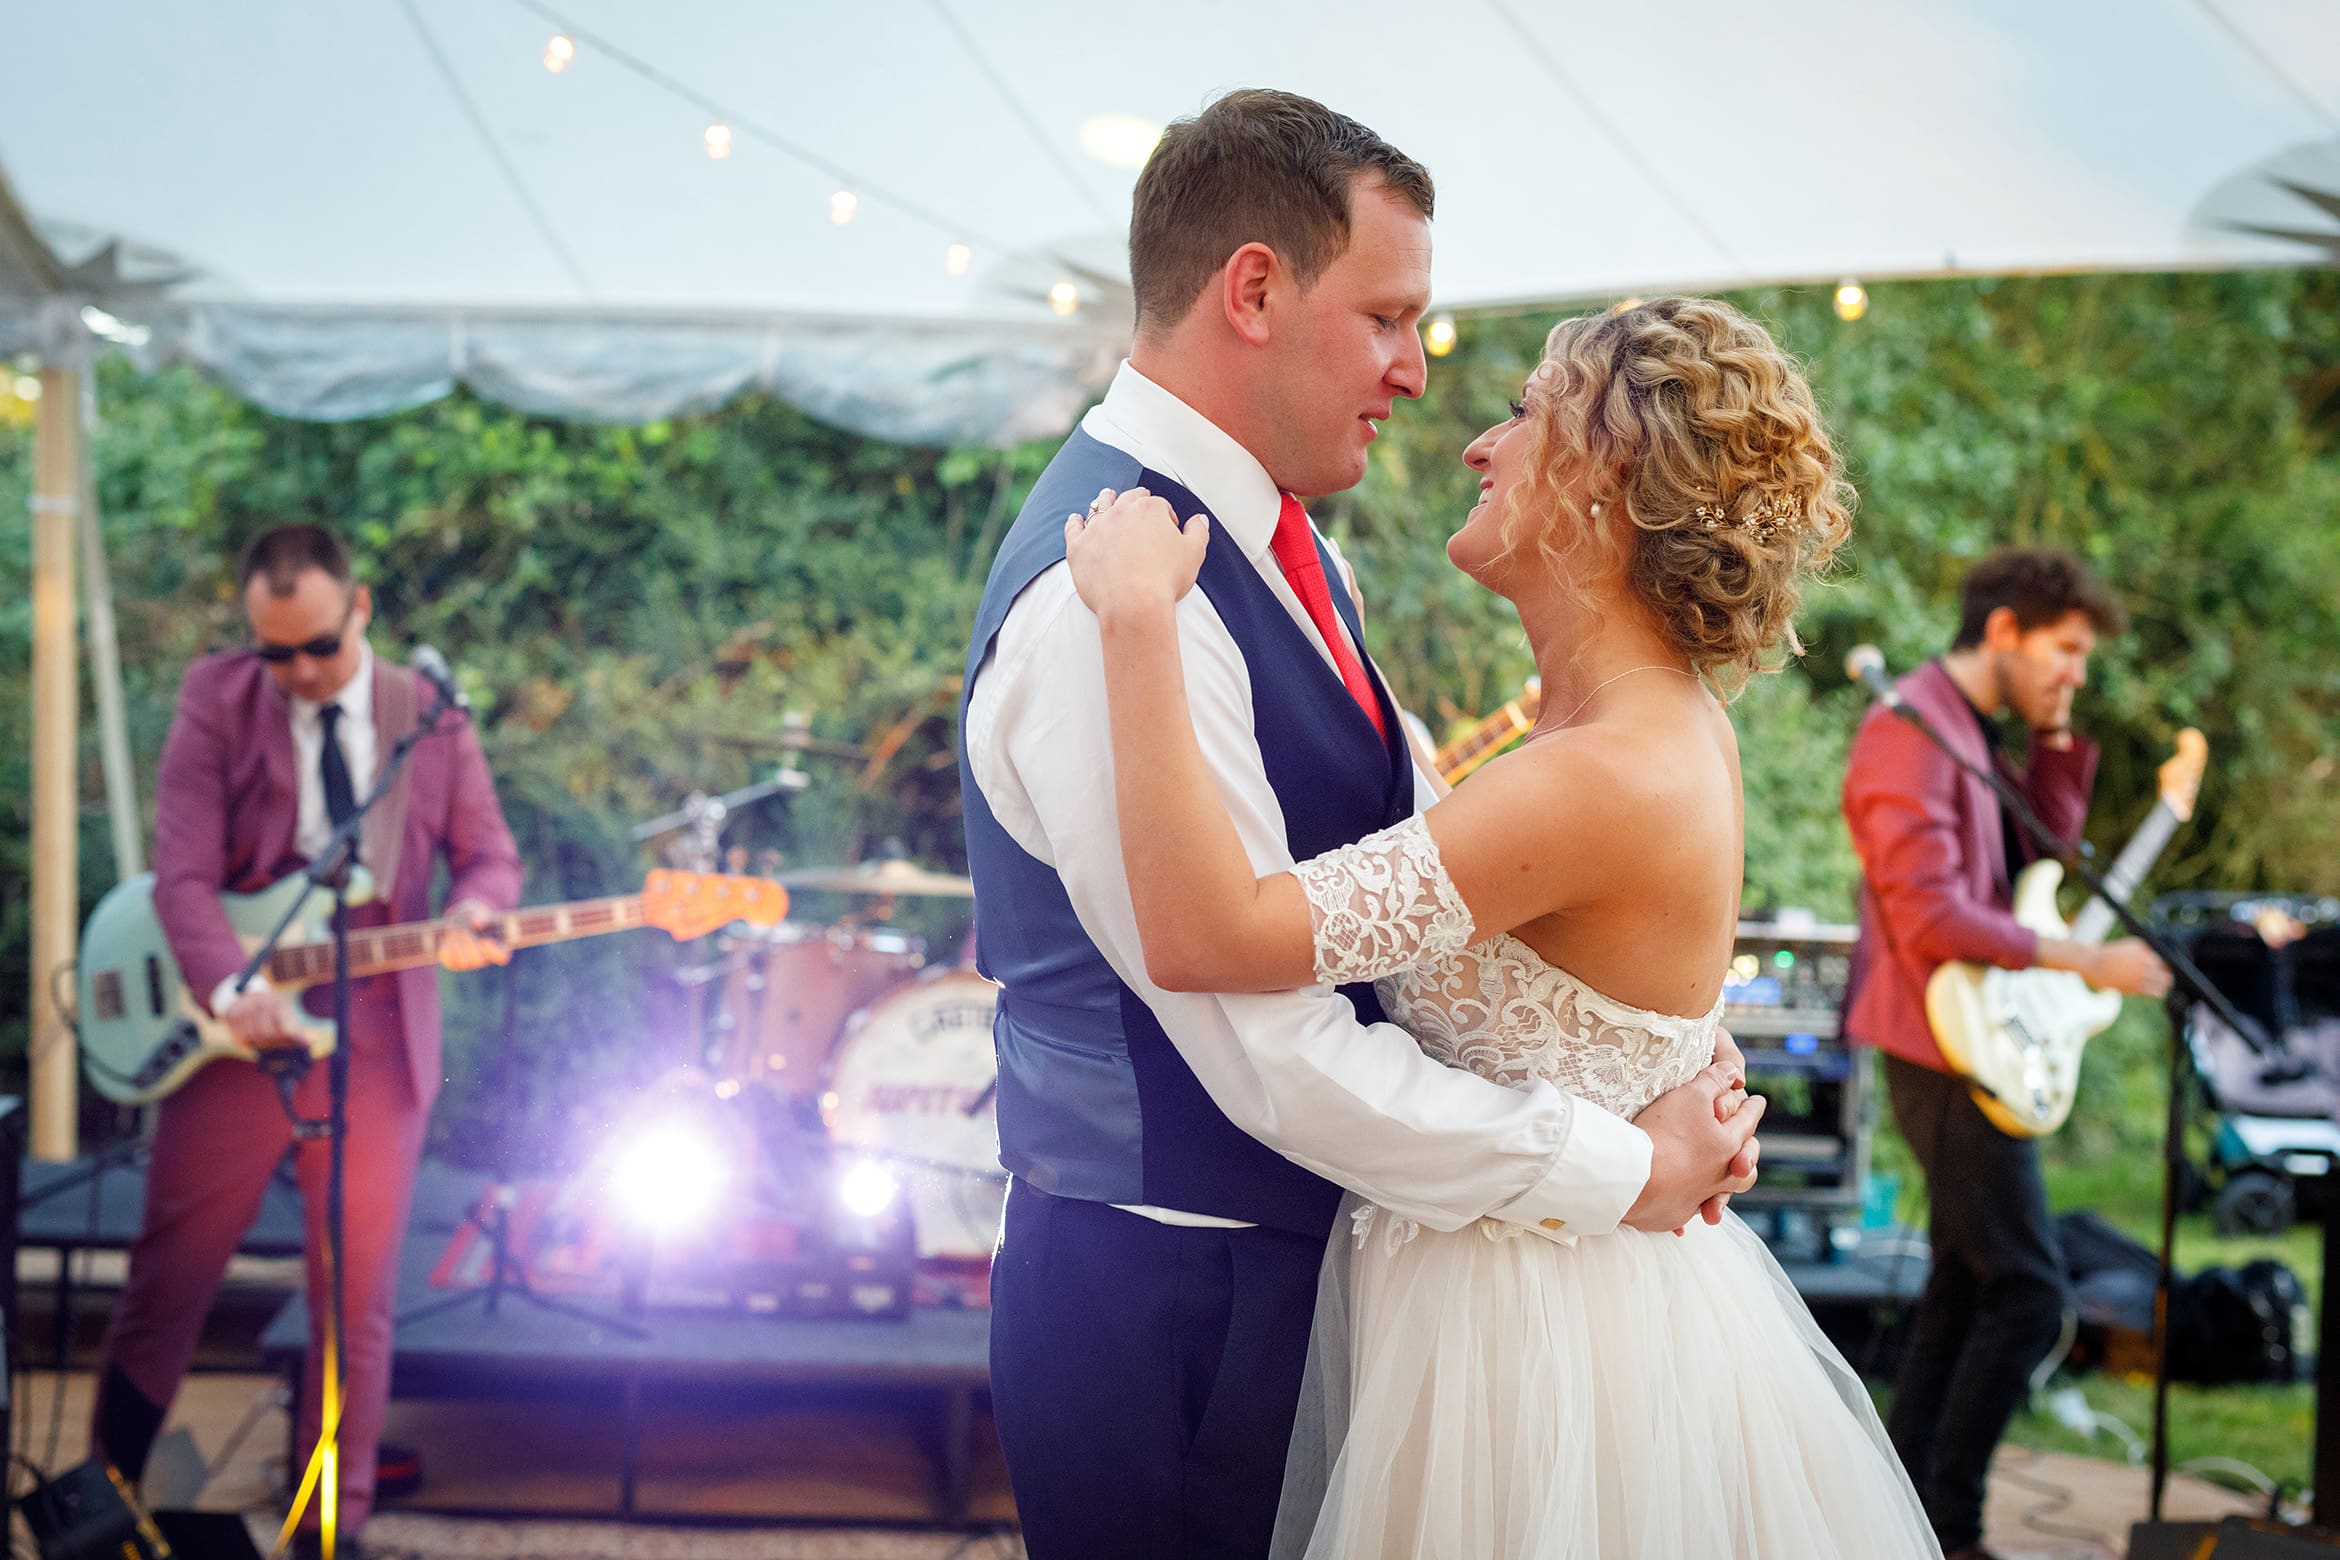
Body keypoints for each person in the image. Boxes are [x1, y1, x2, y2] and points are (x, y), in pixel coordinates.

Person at [958, 91, 1761, 1559]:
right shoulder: (1117, 603)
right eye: (1391, 317)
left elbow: (1433, 887)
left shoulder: (1281, 554)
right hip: (1173, 1313)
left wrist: (1655, 1028)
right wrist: (1622, 1166)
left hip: (1309, 1297)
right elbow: (1263, 1040)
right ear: (1254, 289)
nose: (1417, 374)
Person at [1065, 296, 1938, 1558]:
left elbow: (1212, 938)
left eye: (1527, 413)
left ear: (1607, 477)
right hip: (1560, 1295)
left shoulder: (1598, 775)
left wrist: (1140, 623)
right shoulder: (1637, 728)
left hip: (1536, 1348)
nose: (1481, 443)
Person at [91, 524, 521, 1556]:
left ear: (360, 610)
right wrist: (232, 987)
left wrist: (474, 912)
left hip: (378, 1024)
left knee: (355, 1295)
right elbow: (181, 875)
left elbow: (489, 860)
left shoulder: (429, 715)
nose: (295, 672)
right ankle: (102, 1506)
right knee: (171, 1274)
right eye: (272, 651)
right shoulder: (217, 697)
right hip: (237, 1027)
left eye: (317, 648)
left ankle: (331, 1526)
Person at [1841, 546, 2170, 1560]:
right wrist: (2086, 959)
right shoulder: (1908, 730)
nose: (2078, 669)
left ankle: (1899, 1516)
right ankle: (1951, 1526)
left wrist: (2057, 731)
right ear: (2003, 633)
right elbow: (1932, 914)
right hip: (1939, 1044)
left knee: (1964, 1285)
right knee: (2028, 1292)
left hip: (1964, 1036)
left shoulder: (1966, 729)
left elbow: (2041, 861)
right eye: (2065, 652)